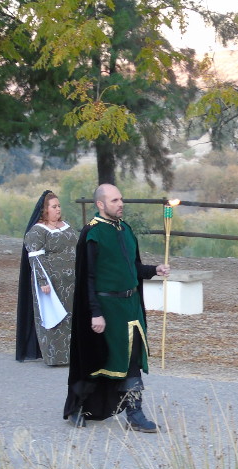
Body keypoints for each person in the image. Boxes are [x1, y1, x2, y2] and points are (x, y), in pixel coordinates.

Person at [64, 183, 169, 432]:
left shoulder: (126, 230)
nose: (120, 204)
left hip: (130, 307)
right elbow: (86, 278)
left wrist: (154, 270)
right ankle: (79, 407)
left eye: (121, 199)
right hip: (106, 307)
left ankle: (135, 414)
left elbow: (133, 268)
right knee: (98, 360)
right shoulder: (92, 234)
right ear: (100, 204)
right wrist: (96, 312)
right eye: (114, 201)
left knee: (131, 359)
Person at [15, 190, 79, 365]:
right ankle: (55, 357)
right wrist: (43, 280)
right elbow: (36, 257)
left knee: (72, 318)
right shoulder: (38, 231)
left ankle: (72, 355)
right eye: (54, 207)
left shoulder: (65, 226)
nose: (58, 209)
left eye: (59, 206)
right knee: (55, 318)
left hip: (72, 281)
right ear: (45, 210)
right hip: (52, 283)